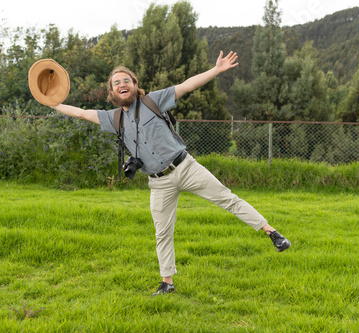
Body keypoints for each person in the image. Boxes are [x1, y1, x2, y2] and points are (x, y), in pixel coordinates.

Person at [50, 51, 291, 296]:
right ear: (111, 92)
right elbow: (80, 112)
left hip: (185, 167)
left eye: (126, 81)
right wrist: (52, 103)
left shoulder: (154, 100)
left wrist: (216, 70)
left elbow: (187, 85)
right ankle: (168, 283)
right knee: (162, 232)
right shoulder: (112, 119)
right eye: (116, 83)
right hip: (159, 183)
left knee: (227, 198)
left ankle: (271, 232)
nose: (122, 85)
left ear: (135, 85)